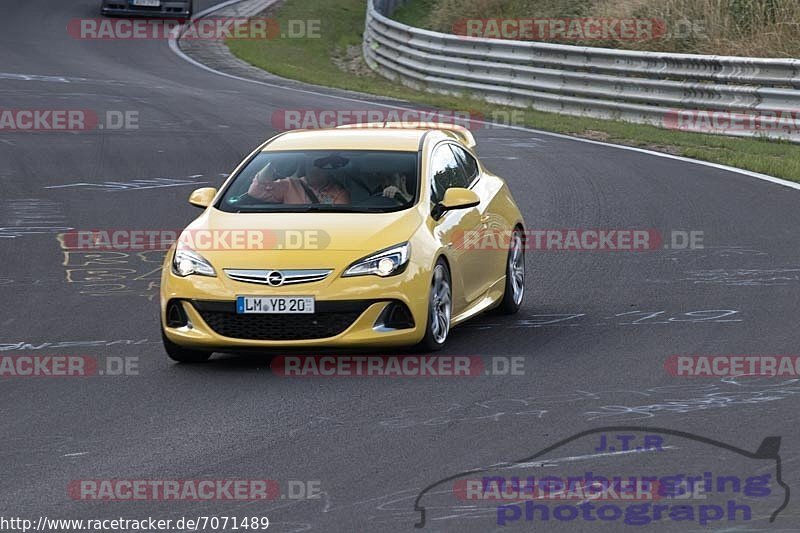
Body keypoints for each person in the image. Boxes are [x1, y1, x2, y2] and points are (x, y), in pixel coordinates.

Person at [248, 155, 350, 205]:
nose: (314, 171)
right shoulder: (290, 185)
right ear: (305, 168)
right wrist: (274, 163)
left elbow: (338, 219)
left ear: (327, 171)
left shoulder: (338, 193)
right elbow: (255, 191)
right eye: (310, 166)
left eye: (319, 169)